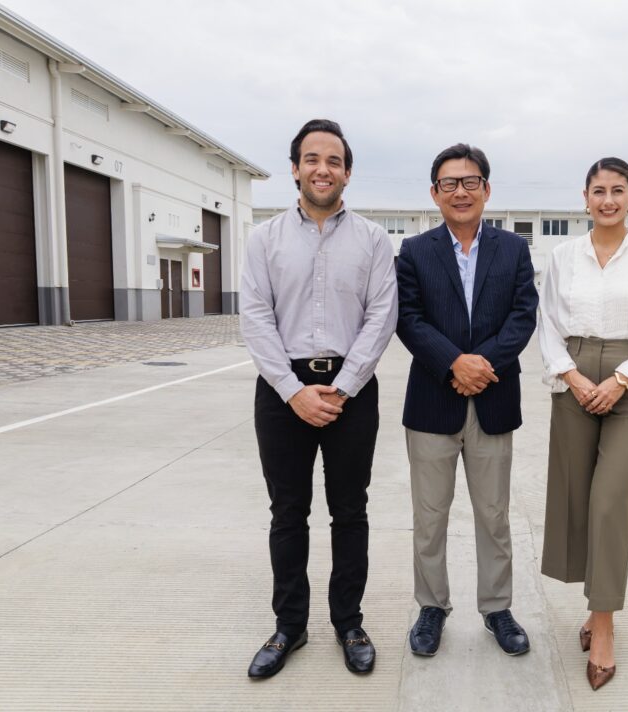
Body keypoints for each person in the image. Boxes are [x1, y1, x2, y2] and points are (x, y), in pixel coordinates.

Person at [240, 119, 397, 679]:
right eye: (312, 159)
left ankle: (348, 622)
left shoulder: (373, 240)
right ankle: (289, 626)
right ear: (295, 169)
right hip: (282, 392)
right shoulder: (264, 239)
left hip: (352, 390)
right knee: (288, 513)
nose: (322, 169)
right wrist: (292, 391)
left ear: (348, 172)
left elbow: (382, 316)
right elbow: (255, 317)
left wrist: (344, 386)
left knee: (350, 511)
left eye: (333, 161)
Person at [538, 157, 628, 690]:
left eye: (618, 191)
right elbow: (548, 323)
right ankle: (594, 607)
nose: (608, 200)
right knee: (578, 500)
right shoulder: (563, 256)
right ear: (585, 198)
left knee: (608, 501)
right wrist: (573, 377)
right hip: (574, 377)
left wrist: (621, 380)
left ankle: (603, 627)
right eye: (599, 191)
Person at [395, 143, 538, 658]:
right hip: (432, 402)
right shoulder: (414, 251)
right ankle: (432, 606)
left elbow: (523, 315)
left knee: (494, 515)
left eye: (470, 181)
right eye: (450, 183)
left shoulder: (513, 249)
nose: (461, 191)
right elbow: (407, 318)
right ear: (435, 193)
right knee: (430, 517)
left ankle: (497, 608)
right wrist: (454, 362)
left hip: (493, 401)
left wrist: (481, 366)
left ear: (486, 189)